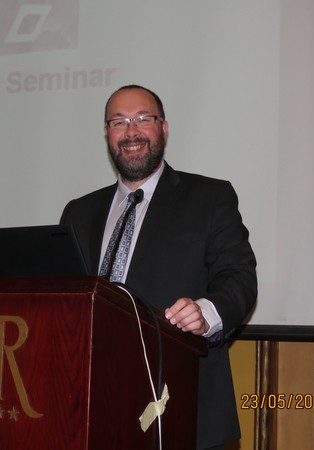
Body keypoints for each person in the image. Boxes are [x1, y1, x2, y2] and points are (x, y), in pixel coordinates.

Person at [60, 85, 257, 450]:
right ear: (107, 134)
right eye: (118, 122)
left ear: (163, 128)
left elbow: (239, 278)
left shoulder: (209, 198)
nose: (131, 131)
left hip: (182, 406)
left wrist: (206, 313)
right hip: (90, 405)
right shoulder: (79, 211)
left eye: (143, 119)